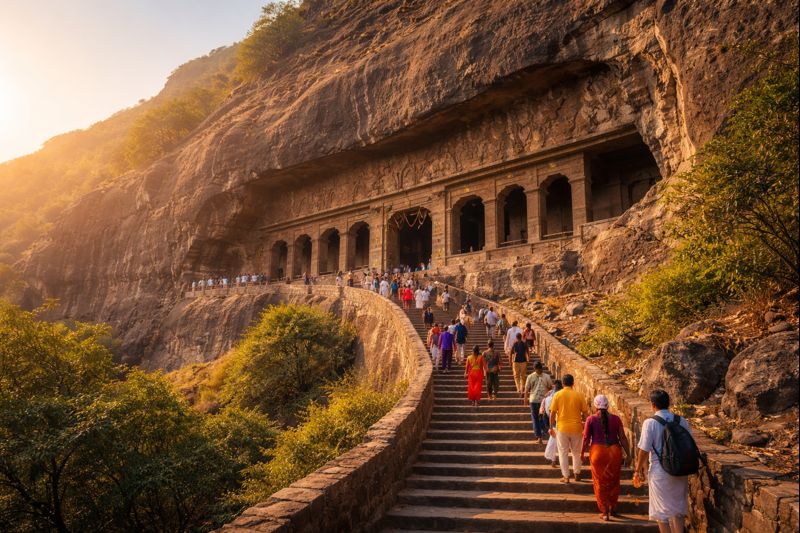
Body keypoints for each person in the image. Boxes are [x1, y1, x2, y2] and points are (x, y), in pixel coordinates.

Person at [635, 389, 691, 532]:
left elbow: (644, 449)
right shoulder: (682, 421)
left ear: (653, 405)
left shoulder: (650, 423)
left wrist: (637, 470)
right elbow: (689, 445)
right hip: (680, 471)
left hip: (660, 473)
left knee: (661, 513)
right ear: (668, 403)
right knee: (678, 512)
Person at [581, 394, 632, 521]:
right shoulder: (616, 419)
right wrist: (629, 454)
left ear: (595, 405)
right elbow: (623, 438)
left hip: (598, 452)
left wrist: (581, 453)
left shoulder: (591, 419)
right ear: (607, 405)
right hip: (614, 452)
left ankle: (604, 512)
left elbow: (586, 439)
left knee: (599, 482)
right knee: (614, 481)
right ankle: (613, 508)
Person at [549, 374, 589, 483]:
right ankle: (577, 473)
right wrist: (587, 426)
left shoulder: (557, 395)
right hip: (577, 427)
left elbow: (552, 413)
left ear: (562, 383)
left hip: (562, 428)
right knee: (576, 452)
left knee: (563, 452)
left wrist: (551, 427)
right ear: (573, 383)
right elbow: (585, 413)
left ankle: (566, 477)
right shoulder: (579, 395)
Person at [523, 361, 553, 443]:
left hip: (539, 401)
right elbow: (526, 389)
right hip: (537, 401)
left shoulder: (531, 376)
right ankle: (540, 436)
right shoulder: (545, 376)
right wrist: (525, 400)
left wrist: (525, 400)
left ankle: (539, 436)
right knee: (539, 418)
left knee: (538, 419)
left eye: (539, 369)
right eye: (538, 369)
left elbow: (526, 390)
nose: (538, 371)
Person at [542, 379, 563, 468]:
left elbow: (546, 412)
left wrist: (549, 426)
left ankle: (553, 460)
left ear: (554, 386)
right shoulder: (562, 395)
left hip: (553, 421)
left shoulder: (548, 397)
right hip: (562, 422)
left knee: (553, 442)